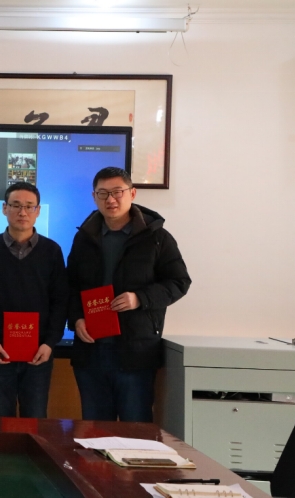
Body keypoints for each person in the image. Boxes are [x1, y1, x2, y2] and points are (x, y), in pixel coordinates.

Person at [67, 167, 190, 422]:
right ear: (94, 197)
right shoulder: (84, 238)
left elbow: (179, 282)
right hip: (91, 352)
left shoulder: (157, 237)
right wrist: (76, 319)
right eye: (103, 193)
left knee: (135, 430)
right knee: (95, 431)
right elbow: (70, 286)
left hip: (136, 352)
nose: (110, 199)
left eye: (117, 192)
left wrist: (140, 298)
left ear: (132, 193)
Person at [0, 181, 68, 418]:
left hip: (39, 352)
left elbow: (60, 300)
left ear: (38, 211)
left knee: (35, 417)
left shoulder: (52, 251)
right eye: (15, 205)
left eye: (29, 206)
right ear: (4, 208)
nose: (22, 212)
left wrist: (50, 343)